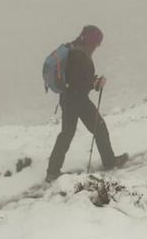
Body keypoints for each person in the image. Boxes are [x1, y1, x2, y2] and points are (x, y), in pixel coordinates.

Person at [45, 25, 129, 182]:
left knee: (66, 134)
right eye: (96, 43)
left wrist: (93, 81)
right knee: (99, 127)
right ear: (91, 41)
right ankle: (109, 161)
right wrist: (95, 83)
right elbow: (78, 82)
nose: (97, 47)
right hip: (78, 100)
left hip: (68, 99)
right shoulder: (79, 56)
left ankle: (52, 171)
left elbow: (75, 79)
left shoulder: (74, 50)